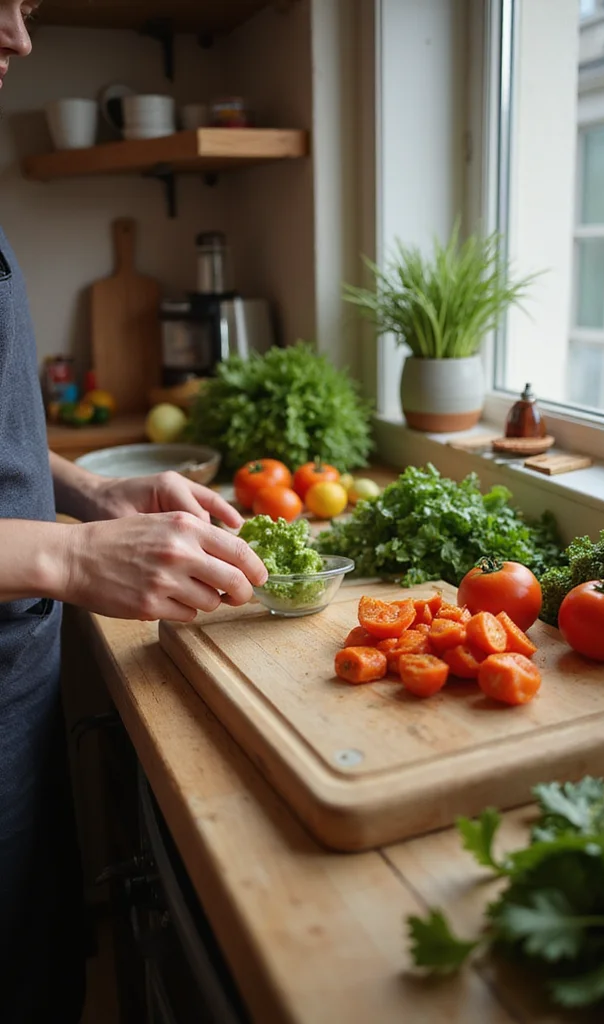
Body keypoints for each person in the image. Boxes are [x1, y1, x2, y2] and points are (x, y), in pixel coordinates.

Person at [0, 3, 268, 1020]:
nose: (22, 38)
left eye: (28, 7)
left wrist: (94, 492)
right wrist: (73, 559)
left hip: (15, 697)